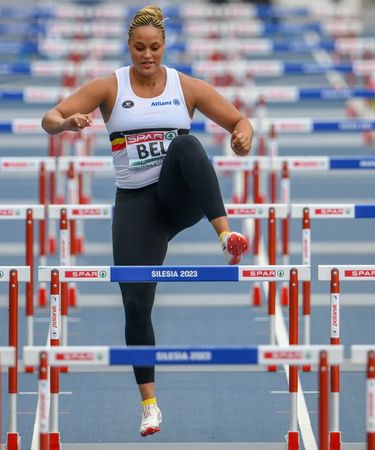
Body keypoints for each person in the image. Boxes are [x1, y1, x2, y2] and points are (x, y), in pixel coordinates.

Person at [41, 5, 253, 438]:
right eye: (140, 48)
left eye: (155, 47)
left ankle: (226, 232)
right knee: (136, 305)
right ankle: (150, 404)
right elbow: (49, 118)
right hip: (137, 207)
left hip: (177, 199)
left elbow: (238, 119)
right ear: (128, 47)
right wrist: (68, 123)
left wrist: (243, 135)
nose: (148, 55)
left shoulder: (185, 87)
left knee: (188, 147)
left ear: (164, 46)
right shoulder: (109, 87)